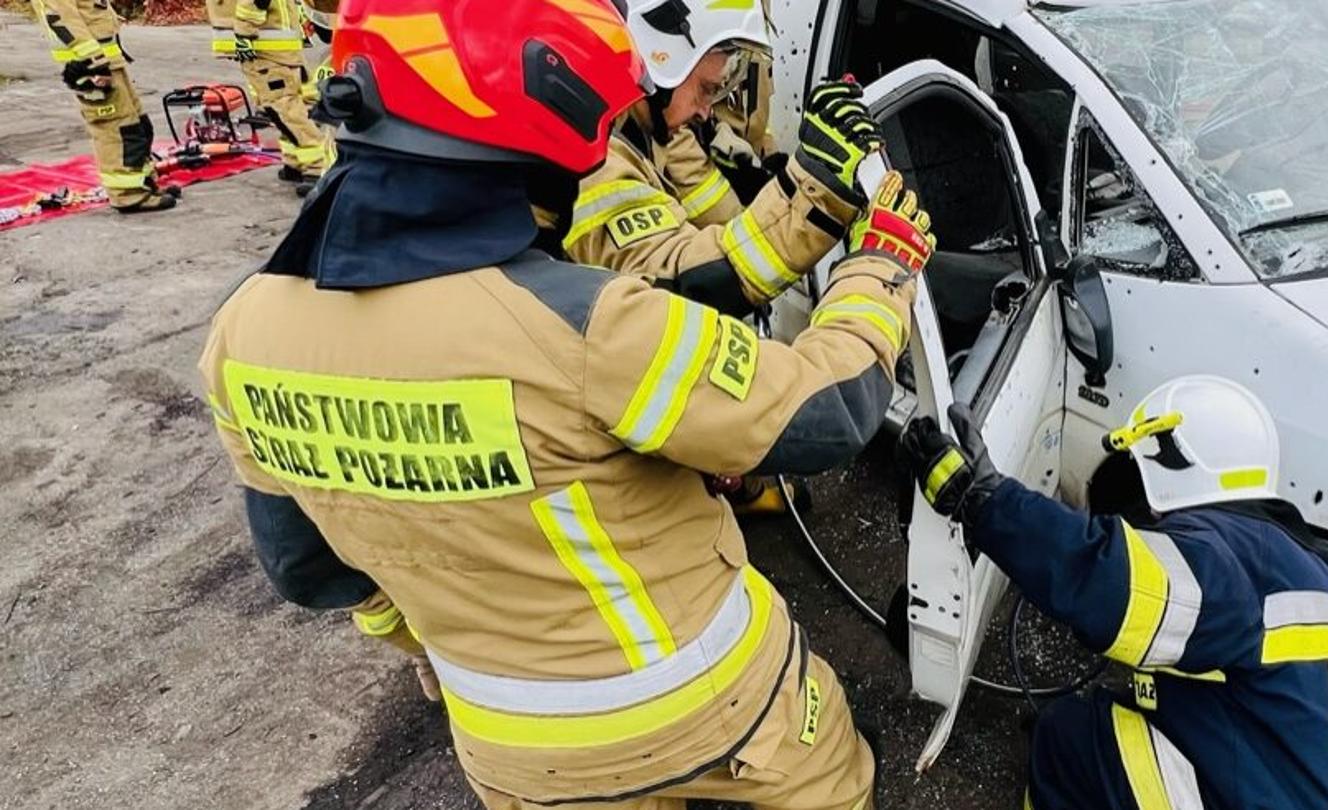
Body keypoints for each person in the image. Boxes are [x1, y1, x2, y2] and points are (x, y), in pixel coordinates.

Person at [198, 0, 934, 806]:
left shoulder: (243, 332)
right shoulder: (581, 324)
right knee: (828, 781)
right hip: (710, 702)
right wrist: (883, 268)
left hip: (512, 747)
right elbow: (826, 412)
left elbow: (306, 570)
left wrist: (439, 646)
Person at [902, 376, 1328, 810]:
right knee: (1131, 719)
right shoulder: (1307, 575)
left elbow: (1115, 587)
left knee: (1072, 740)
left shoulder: (1229, 560)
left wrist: (985, 503)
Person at [561, 0, 886, 513]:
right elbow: (687, 281)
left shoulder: (634, 125)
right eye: (706, 89)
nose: (706, 110)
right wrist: (815, 190)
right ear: (659, 61)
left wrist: (775, 173)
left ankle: (733, 486)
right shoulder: (598, 160)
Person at [28, 0, 178, 213]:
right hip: (91, 67)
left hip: (108, 62)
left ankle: (143, 183)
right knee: (116, 131)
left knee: (137, 124)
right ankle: (128, 195)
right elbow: (61, 19)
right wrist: (94, 63)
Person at [205, 0, 333, 193]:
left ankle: (317, 166)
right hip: (276, 46)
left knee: (282, 108)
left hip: (264, 46)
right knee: (288, 108)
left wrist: (244, 33)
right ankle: (296, 161)